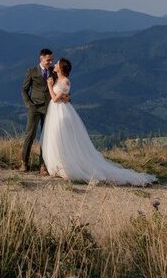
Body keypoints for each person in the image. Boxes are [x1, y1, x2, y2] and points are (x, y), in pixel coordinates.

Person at [41, 58, 157, 186]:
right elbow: (65, 97)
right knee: (56, 138)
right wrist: (63, 94)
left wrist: (50, 86)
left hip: (61, 113)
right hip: (56, 112)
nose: (55, 65)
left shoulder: (65, 81)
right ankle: (59, 165)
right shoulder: (58, 79)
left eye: (57, 64)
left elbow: (56, 99)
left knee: (63, 138)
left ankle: (67, 167)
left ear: (61, 68)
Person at [20, 49, 68, 173]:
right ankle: (24, 163)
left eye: (52, 59)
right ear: (41, 58)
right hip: (34, 107)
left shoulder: (54, 71)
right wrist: (29, 105)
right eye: (48, 60)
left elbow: (62, 86)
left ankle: (43, 165)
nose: (51, 62)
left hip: (50, 108)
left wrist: (67, 96)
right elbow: (24, 89)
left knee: (46, 137)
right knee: (30, 135)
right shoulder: (32, 71)